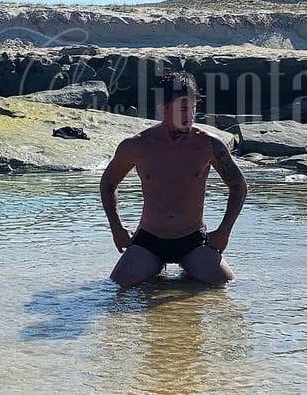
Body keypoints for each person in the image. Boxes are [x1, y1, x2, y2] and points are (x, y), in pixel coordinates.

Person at [100, 71, 248, 288]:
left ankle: (184, 273)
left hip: (192, 240)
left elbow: (238, 185)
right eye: (183, 108)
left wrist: (224, 231)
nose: (190, 115)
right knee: (115, 287)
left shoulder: (209, 145)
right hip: (149, 240)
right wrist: (117, 229)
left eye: (193, 107)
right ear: (163, 109)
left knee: (226, 286)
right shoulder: (136, 146)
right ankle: (157, 268)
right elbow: (108, 184)